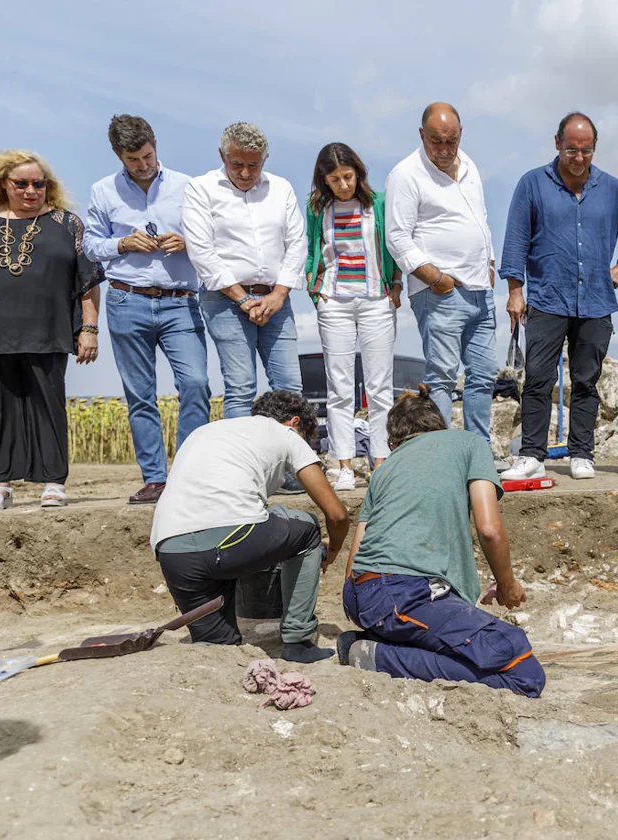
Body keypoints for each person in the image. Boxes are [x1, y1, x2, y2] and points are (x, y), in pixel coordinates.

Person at [337, 385, 545, 697]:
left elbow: (356, 553)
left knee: (457, 642)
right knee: (521, 669)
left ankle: (379, 641)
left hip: (360, 595)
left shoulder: (384, 470)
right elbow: (489, 529)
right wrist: (507, 584)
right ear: (440, 425)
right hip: (403, 593)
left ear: (394, 442)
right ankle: (377, 657)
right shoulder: (469, 443)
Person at [150, 390, 349, 664]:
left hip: (173, 552)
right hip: (230, 541)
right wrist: (334, 549)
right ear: (294, 422)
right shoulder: (287, 434)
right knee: (306, 528)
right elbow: (337, 515)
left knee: (222, 652)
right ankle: (297, 641)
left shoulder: (207, 431)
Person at [499, 112, 618, 481]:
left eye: (586, 151)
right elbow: (515, 238)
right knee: (537, 379)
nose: (578, 158)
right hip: (547, 298)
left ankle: (582, 453)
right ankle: (531, 454)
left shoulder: (612, 189)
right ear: (557, 143)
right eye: (571, 150)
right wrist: (516, 291)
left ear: (594, 149)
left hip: (596, 300)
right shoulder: (532, 184)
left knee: (586, 379)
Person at [0, 150, 103, 511]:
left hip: (49, 328)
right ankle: (1, 484)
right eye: (21, 184)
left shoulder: (67, 223)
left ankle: (53, 482)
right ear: (3, 184)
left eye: (38, 183)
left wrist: (89, 328)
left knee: (48, 404)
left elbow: (87, 280)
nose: (31, 190)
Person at [84, 114, 210, 505]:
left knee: (196, 384)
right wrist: (122, 245)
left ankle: (188, 474)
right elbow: (90, 244)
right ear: (117, 155)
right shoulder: (102, 191)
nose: (143, 165)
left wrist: (187, 242)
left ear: (156, 144)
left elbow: (212, 236)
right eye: (133, 159)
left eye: (147, 155)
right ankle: (155, 479)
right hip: (126, 299)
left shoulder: (189, 187)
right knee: (140, 394)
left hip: (180, 302)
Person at [384, 103, 506, 469]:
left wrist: (489, 263)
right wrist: (435, 278)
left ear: (460, 134)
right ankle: (439, 456)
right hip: (441, 292)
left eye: (451, 140)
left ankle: (478, 453)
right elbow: (397, 238)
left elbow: (479, 219)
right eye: (436, 141)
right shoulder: (405, 175)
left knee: (483, 374)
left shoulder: (468, 165)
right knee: (442, 376)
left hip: (479, 291)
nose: (444, 148)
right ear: (422, 136)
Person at [183, 122, 308, 420]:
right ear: (222, 155)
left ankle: (291, 466)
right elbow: (201, 251)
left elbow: (297, 243)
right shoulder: (200, 189)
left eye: (253, 165)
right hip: (225, 302)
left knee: (290, 387)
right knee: (241, 387)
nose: (245, 173)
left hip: (276, 301)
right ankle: (240, 466)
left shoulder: (281, 189)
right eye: (237, 164)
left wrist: (278, 295)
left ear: (265, 159)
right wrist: (241, 299)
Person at [305, 142, 402, 491]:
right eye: (335, 179)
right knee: (340, 388)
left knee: (379, 388)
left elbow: (392, 244)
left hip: (376, 300)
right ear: (324, 180)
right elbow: (311, 247)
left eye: (348, 177)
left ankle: (381, 462)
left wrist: (395, 283)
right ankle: (344, 465)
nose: (343, 185)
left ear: (358, 173)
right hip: (335, 303)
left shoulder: (377, 203)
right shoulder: (317, 208)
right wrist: (314, 288)